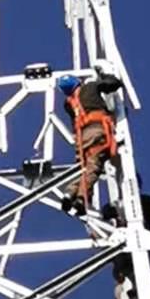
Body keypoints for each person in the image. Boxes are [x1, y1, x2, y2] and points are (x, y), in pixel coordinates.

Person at [58, 71, 122, 215]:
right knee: (94, 164)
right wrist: (104, 75)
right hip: (97, 130)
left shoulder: (68, 104)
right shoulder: (90, 87)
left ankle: (69, 193)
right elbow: (114, 84)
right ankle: (81, 198)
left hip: (82, 138)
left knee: (82, 167)